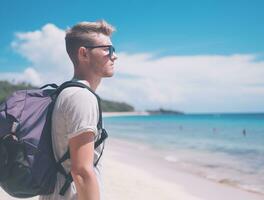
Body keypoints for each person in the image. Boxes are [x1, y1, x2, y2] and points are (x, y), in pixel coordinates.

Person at [39, 20, 117, 200]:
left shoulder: (64, 92)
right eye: (107, 49)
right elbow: (81, 171)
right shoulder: (82, 97)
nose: (114, 56)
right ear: (84, 54)